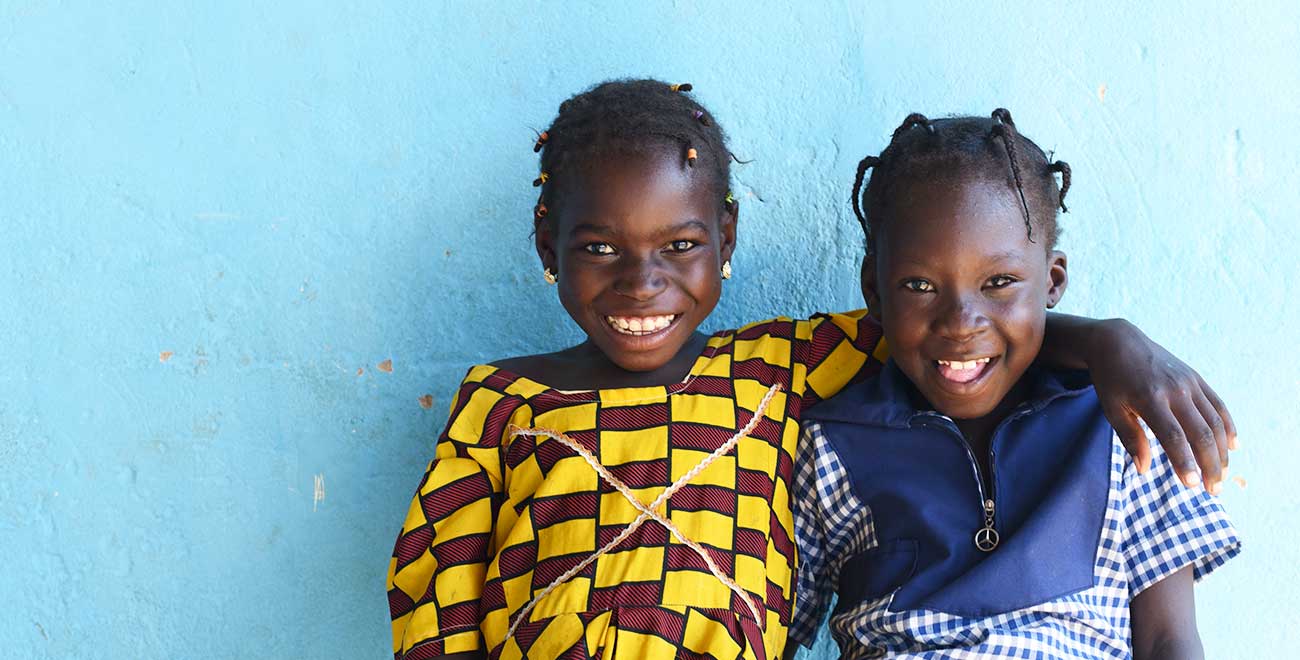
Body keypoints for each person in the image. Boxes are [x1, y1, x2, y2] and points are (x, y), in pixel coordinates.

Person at [387, 82, 1234, 660]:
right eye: (600, 248)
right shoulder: (502, 402)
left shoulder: (774, 375)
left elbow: (951, 336)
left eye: (678, 246)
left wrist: (1111, 342)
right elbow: (438, 589)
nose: (642, 283)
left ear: (724, 238)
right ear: (549, 246)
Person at [791, 110, 1240, 659]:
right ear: (876, 292)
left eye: (999, 282)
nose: (961, 322)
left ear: (1051, 282)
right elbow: (775, 632)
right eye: (919, 285)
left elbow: (1169, 639)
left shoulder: (1122, 422)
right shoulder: (832, 445)